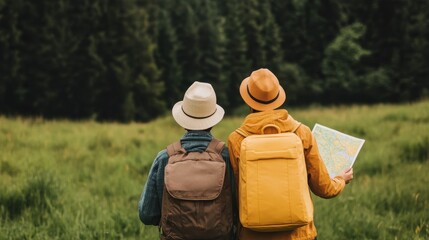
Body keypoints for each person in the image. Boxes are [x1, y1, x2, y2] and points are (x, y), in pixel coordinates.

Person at [227, 68, 353, 240]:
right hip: (299, 235)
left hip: (252, 235)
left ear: (249, 102)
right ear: (278, 98)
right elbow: (325, 189)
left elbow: (234, 195)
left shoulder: (236, 139)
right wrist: (341, 179)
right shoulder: (302, 133)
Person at [138, 81, 237, 239]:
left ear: (183, 121)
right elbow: (239, 209)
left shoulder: (164, 158)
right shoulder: (226, 157)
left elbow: (147, 214)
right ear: (213, 121)